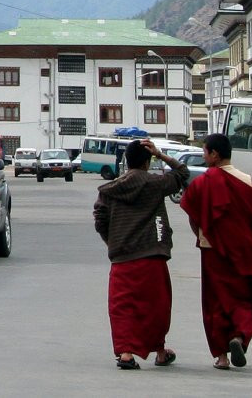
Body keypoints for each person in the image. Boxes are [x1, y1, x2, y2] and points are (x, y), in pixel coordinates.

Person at [180, 132, 252, 370]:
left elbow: (194, 216)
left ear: (214, 154)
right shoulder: (248, 181)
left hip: (212, 250)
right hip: (242, 251)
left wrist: (203, 236)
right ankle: (240, 335)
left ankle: (222, 356)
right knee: (244, 297)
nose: (204, 157)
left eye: (205, 152)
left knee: (215, 301)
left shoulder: (203, 182)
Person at [93, 138, 190, 369]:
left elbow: (100, 220)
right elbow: (183, 173)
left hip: (122, 258)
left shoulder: (110, 190)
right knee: (156, 306)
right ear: (147, 162)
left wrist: (113, 242)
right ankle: (160, 351)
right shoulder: (156, 184)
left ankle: (126, 353)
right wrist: (161, 154)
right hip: (152, 255)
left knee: (122, 307)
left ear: (126, 161)